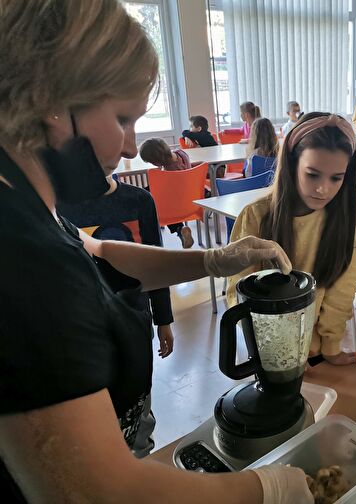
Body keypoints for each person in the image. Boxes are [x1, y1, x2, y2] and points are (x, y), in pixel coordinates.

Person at [0, 1, 312, 502]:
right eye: (123, 118)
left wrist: (213, 260)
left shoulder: (22, 203)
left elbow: (98, 253)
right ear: (51, 100)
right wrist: (265, 490)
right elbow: (100, 491)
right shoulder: (20, 259)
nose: (129, 147)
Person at [226, 113, 356, 367]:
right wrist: (275, 349)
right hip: (269, 348)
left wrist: (331, 346)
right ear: (292, 164)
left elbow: (343, 290)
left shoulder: (352, 218)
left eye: (336, 178)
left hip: (318, 352)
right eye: (312, 174)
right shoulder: (256, 217)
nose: (323, 189)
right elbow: (238, 293)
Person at [58, 175, 177, 457]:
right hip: (84, 335)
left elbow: (155, 263)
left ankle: (142, 462)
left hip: (135, 324)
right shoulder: (57, 207)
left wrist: (163, 320)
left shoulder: (139, 201)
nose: (130, 149)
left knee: (139, 411)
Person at [139, 137, 198, 248]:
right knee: (147, 192)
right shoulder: (181, 153)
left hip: (176, 204)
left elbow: (162, 191)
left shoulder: (167, 172)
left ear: (157, 160)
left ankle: (179, 229)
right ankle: (180, 229)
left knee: (149, 201)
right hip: (191, 198)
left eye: (151, 162)